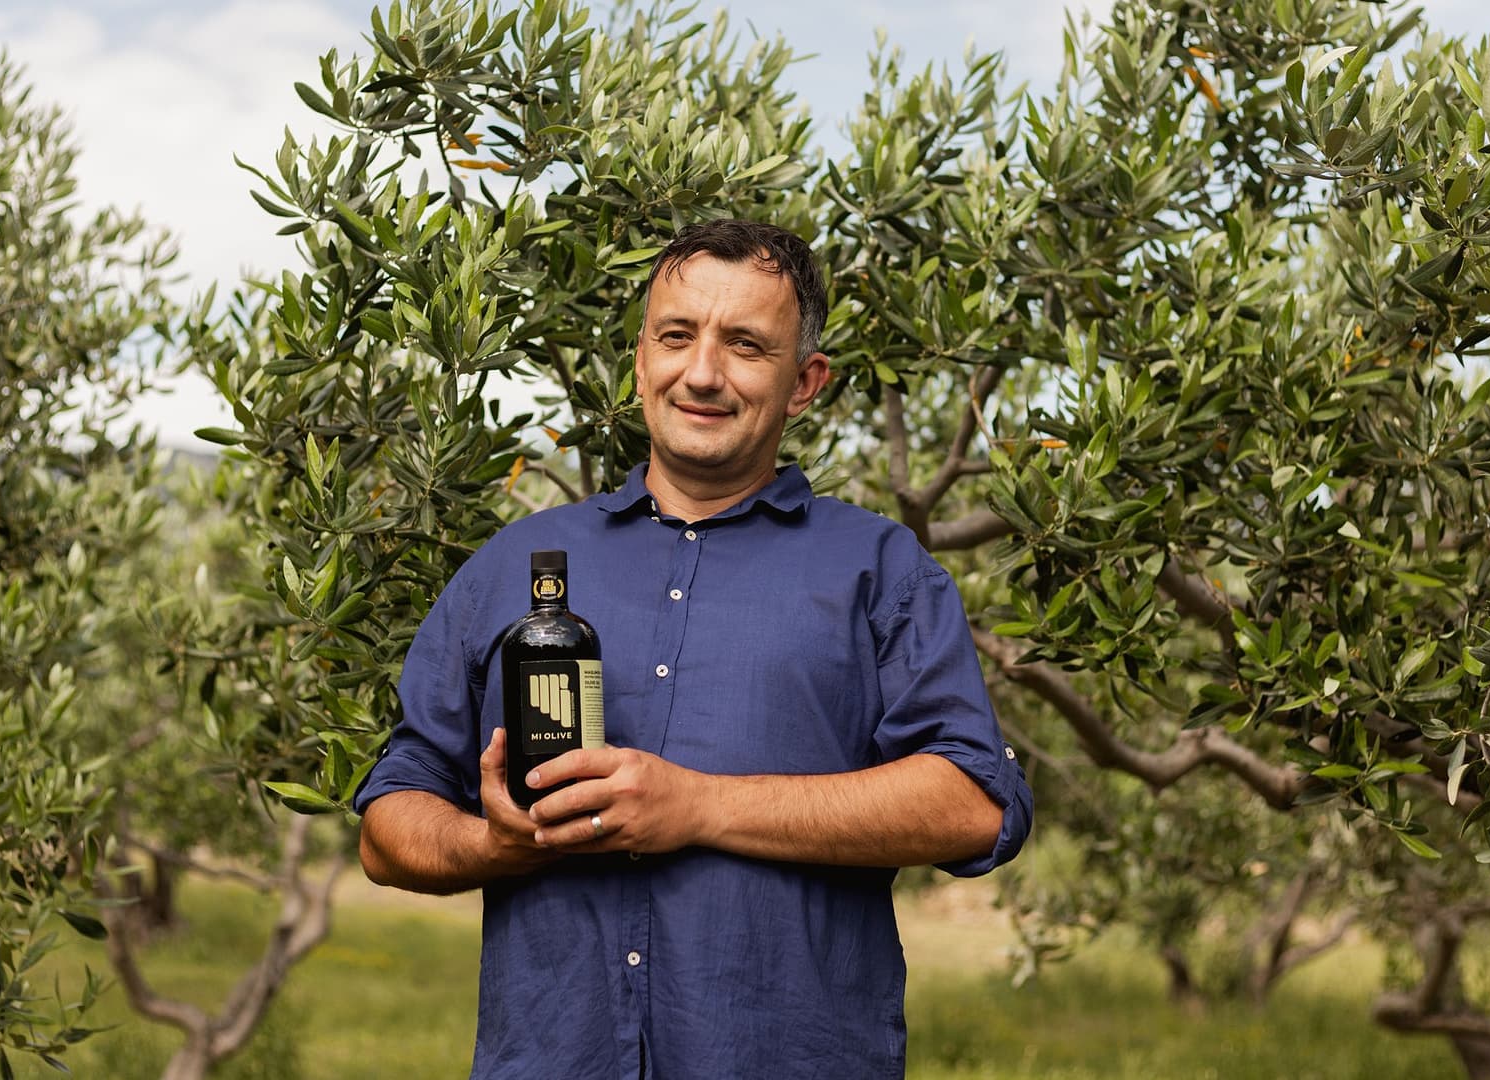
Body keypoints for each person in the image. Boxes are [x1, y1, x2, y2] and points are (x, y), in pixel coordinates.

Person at [354, 218, 1033, 1079]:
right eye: (677, 336)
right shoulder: (514, 567)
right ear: (641, 360)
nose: (702, 372)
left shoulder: (879, 571)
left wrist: (701, 806)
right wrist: (494, 846)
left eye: (746, 344)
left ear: (803, 383)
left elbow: (973, 804)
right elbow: (387, 825)